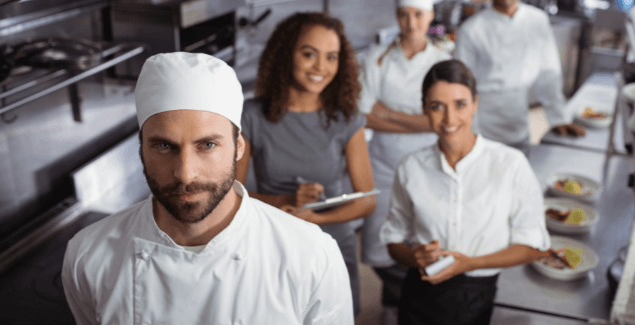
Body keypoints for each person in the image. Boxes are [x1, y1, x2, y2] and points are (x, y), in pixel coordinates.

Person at [61, 52, 354, 325]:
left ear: (238, 147)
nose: (185, 173)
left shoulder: (311, 255)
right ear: (141, 149)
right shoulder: (88, 256)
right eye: (164, 146)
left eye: (208, 145)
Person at [380, 59, 550, 325]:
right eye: (437, 107)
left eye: (460, 105)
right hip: (420, 294)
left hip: (477, 295)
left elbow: (533, 246)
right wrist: (415, 257)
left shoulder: (510, 164)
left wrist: (470, 263)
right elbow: (393, 241)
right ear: (424, 108)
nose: (449, 119)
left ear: (475, 104)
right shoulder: (411, 167)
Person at [235, 12, 376, 316]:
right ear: (285, 53)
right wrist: (285, 201)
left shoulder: (346, 118)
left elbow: (366, 201)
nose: (320, 68)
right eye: (309, 54)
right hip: (274, 241)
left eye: (331, 57)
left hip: (333, 244)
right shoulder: (251, 116)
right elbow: (231, 193)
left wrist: (318, 220)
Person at [357, 0, 450, 322]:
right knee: (378, 248)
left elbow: (440, 121)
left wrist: (388, 112)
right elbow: (364, 115)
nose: (411, 23)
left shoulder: (442, 61)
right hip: (380, 166)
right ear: (397, 16)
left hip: (427, 166)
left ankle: (399, 307)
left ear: (431, 16)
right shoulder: (376, 57)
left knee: (421, 240)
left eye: (418, 15)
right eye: (404, 15)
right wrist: (419, 118)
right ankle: (399, 300)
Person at [453, 0, 585, 156]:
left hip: (519, 120)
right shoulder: (472, 29)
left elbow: (549, 73)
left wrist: (558, 118)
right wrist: (466, 134)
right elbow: (461, 87)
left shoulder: (537, 20)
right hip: (482, 125)